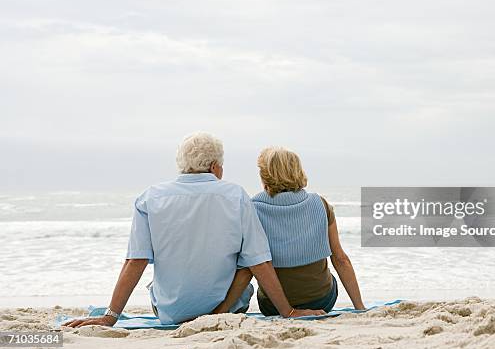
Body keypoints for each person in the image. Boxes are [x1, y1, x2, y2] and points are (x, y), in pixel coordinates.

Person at [66, 133, 324, 327]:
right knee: (242, 265)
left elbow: (136, 261)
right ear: (214, 167)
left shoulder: (151, 198)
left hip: (170, 313)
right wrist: (288, 312)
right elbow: (258, 262)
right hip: (228, 310)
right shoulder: (236, 195)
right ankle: (223, 308)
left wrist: (110, 316)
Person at [252, 147, 366, 315]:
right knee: (329, 278)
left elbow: (252, 264)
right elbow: (340, 259)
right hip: (322, 301)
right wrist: (360, 308)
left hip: (273, 306)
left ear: (265, 175)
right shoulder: (320, 204)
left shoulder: (252, 209)